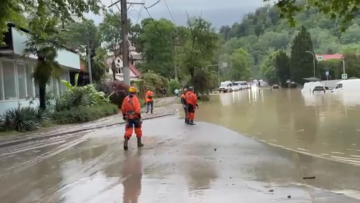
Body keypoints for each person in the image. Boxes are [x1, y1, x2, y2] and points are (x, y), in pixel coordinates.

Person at [121, 86, 144, 150]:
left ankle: (126, 141)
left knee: (128, 130)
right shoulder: (135, 99)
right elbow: (138, 109)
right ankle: (139, 143)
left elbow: (123, 108)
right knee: (138, 129)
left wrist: (124, 115)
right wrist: (139, 116)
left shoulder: (125, 99)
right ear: (135, 92)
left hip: (128, 117)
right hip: (135, 117)